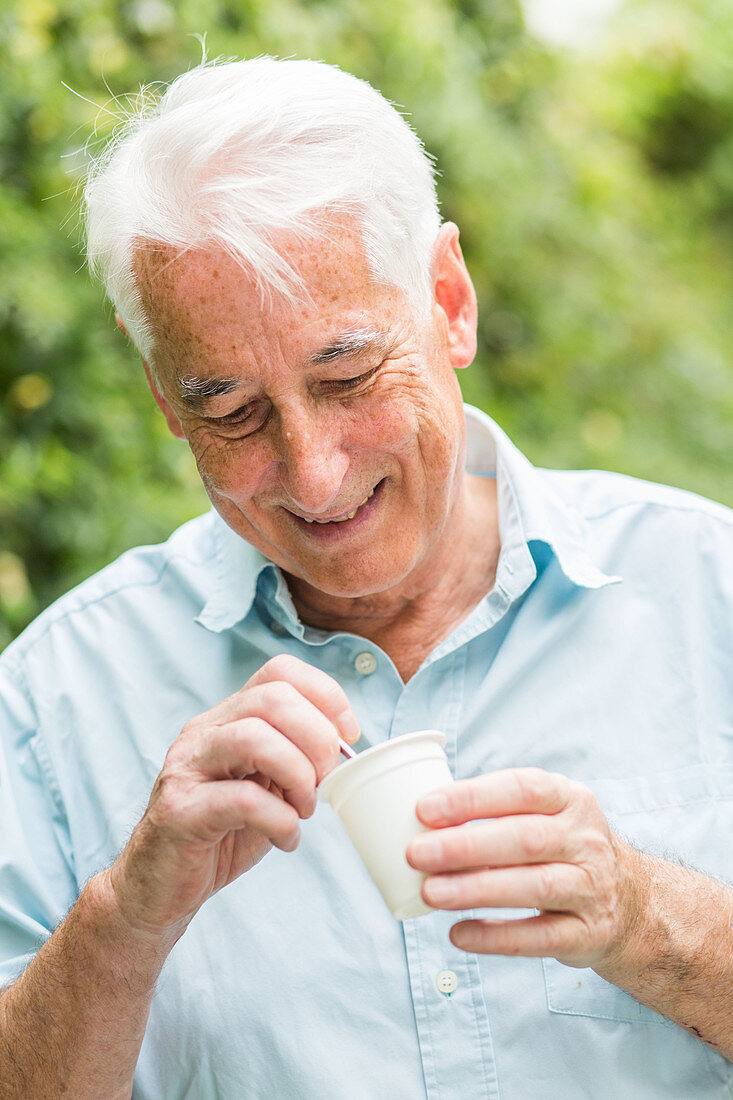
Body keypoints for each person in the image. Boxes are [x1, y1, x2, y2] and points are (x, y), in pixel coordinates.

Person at [0, 55, 732, 1100]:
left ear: (450, 301)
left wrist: (648, 917)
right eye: (231, 411)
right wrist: (123, 920)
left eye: (345, 376)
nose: (313, 472)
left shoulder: (711, 592)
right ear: (161, 388)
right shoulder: (51, 700)